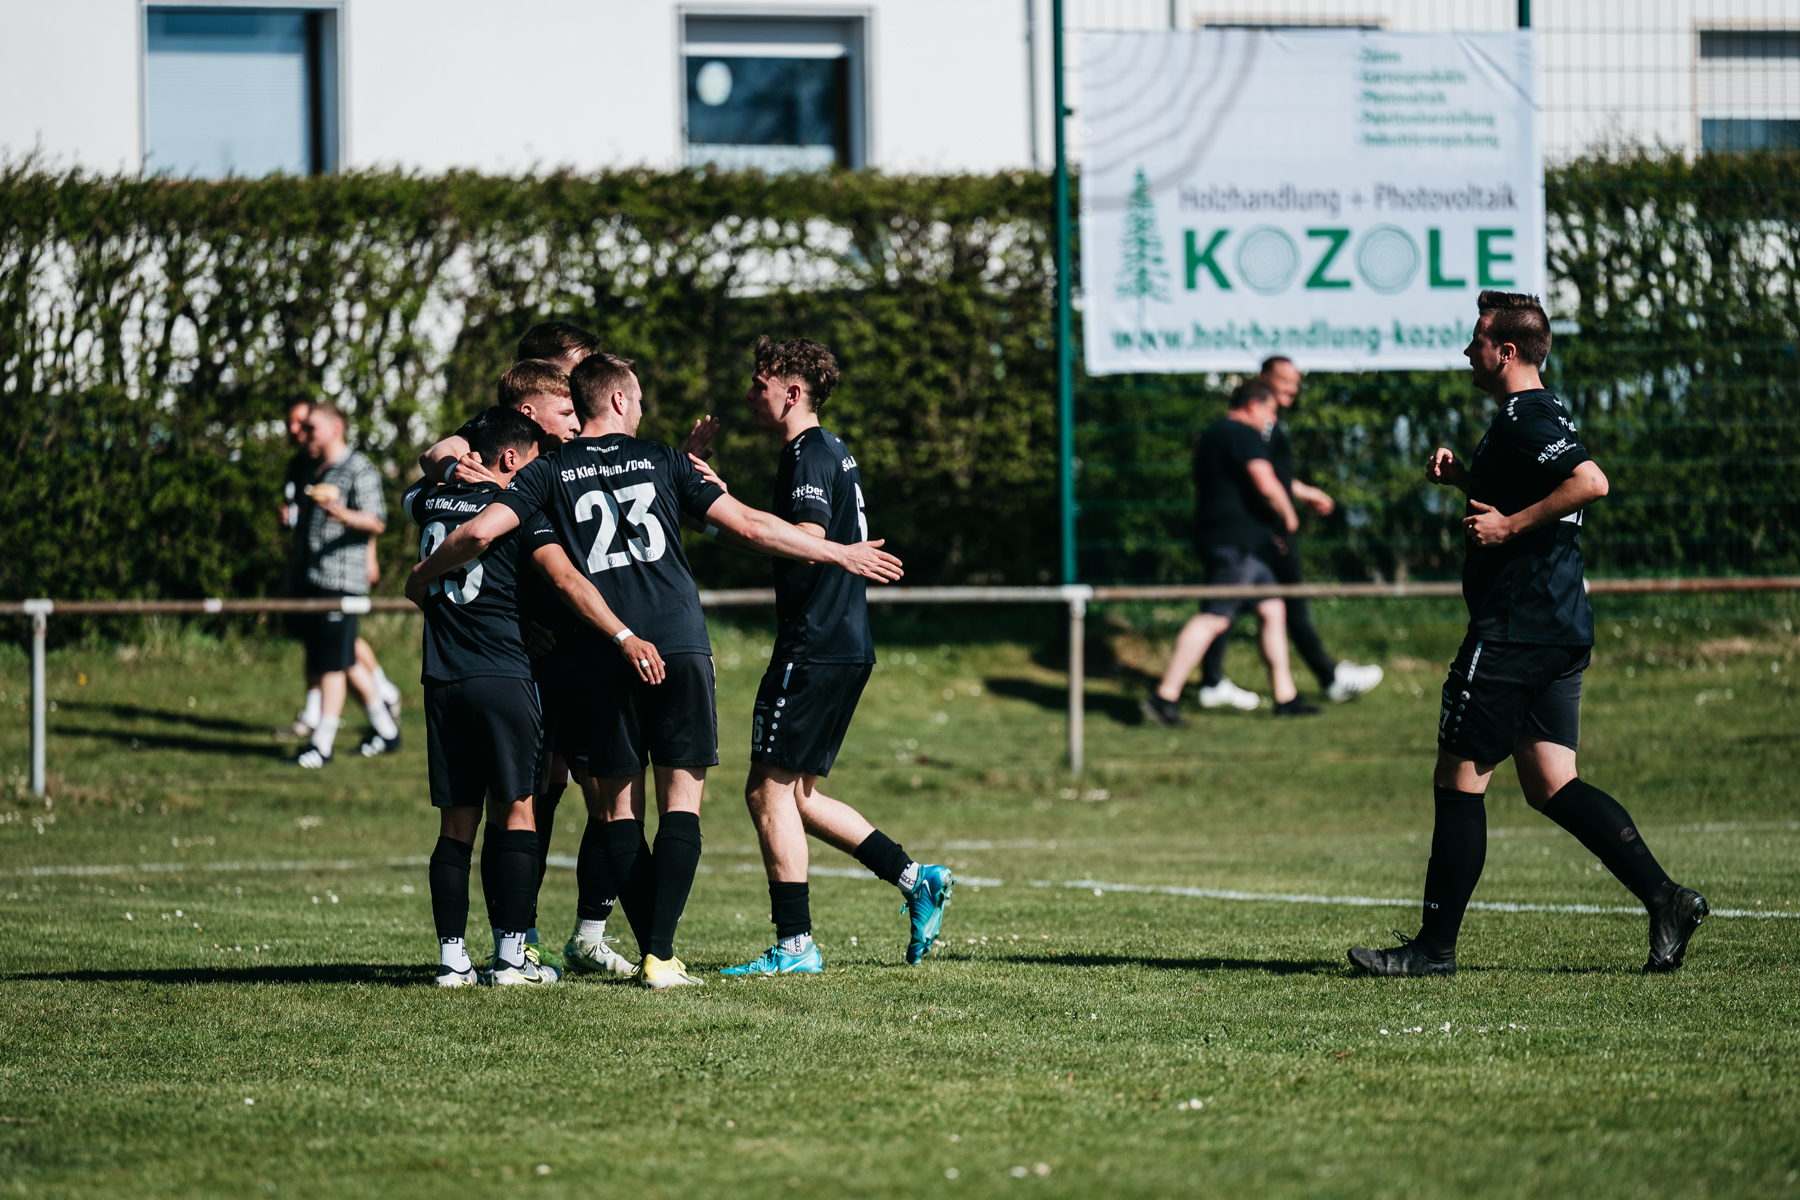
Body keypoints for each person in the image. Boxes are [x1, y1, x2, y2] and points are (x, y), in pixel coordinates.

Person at [408, 353, 905, 989]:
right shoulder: (664, 459)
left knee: (618, 812)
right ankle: (660, 955)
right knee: (682, 806)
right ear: (618, 400)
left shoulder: (547, 471)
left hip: (605, 649)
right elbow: (749, 526)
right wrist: (838, 552)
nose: (642, 408)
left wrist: (424, 568)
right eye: (638, 398)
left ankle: (645, 950)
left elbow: (482, 531)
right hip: (680, 645)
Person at [1349, 291, 1707, 977]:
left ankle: (1432, 951)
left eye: (1477, 340)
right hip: (1559, 623)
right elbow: (1531, 493)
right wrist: (1465, 481)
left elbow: (1591, 482)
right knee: (1551, 782)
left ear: (1506, 351)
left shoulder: (1526, 416)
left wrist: (1508, 526)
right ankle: (1667, 900)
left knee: (1459, 779)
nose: (1468, 351)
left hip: (1517, 628)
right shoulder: (1540, 412)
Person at [686, 337, 953, 976]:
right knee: (796, 795)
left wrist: (729, 512)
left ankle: (795, 944)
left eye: (760, 384)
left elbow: (805, 541)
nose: (750, 395)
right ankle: (914, 877)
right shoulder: (827, 449)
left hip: (815, 642)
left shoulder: (808, 452)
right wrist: (717, 512)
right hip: (843, 641)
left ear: (792, 391)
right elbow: (790, 540)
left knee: (765, 791)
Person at [1197, 357, 1383, 709]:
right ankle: (1326, 679)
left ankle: (1268, 690)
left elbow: (1272, 475)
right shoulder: (1255, 424)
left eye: (1296, 382)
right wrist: (1286, 516)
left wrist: (1303, 491)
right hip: (1266, 529)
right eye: (1285, 380)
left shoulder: (1269, 423)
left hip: (1263, 528)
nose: (1292, 389)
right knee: (1235, 607)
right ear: (1263, 381)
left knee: (1264, 608)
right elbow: (1261, 477)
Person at [1142, 380, 1314, 726]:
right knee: (1215, 617)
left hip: (1244, 545)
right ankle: (1164, 696)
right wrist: (1289, 516)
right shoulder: (1242, 433)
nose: (1272, 420)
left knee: (1273, 609)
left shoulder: (1216, 433)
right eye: (1270, 412)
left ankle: (1286, 697)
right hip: (1237, 547)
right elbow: (1265, 482)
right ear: (1253, 405)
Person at [284, 401, 404, 767]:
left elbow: (377, 520)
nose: (304, 434)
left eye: (311, 428)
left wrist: (342, 514)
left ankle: (321, 745)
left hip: (341, 580)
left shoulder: (358, 468)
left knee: (333, 665)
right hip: (315, 577)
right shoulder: (318, 468)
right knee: (343, 657)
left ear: (335, 428)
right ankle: (386, 729)